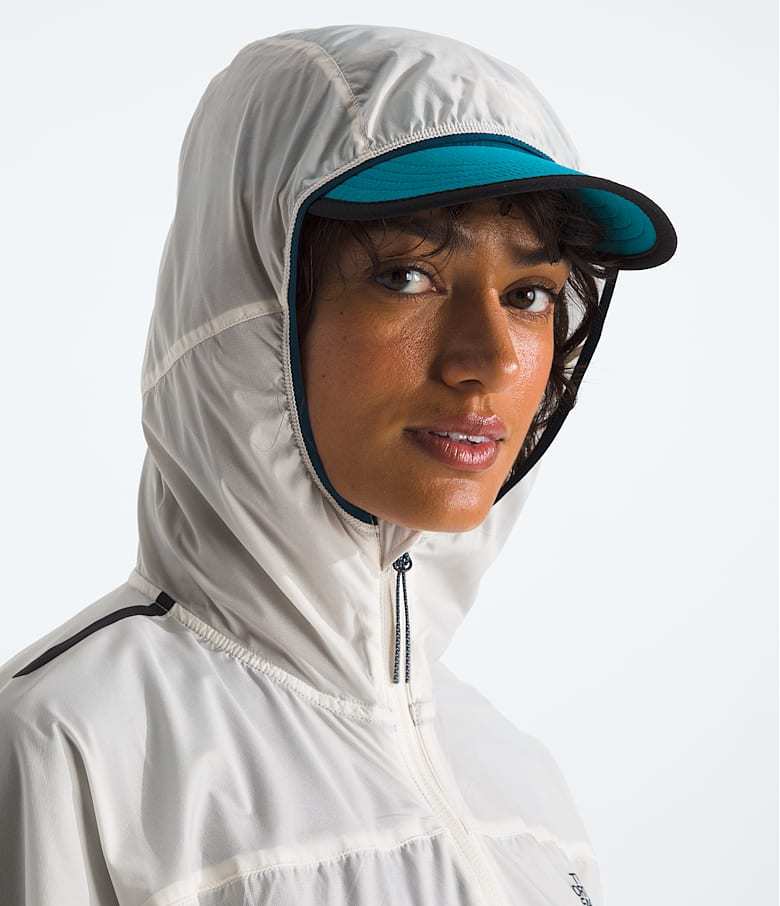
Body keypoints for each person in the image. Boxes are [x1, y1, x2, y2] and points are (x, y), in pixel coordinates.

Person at [0, 23, 677, 906]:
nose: (490, 359)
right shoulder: (68, 750)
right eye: (407, 276)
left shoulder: (520, 781)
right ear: (253, 298)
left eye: (529, 294)